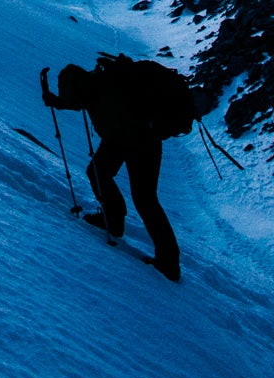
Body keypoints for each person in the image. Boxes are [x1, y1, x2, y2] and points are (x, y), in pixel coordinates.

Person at [42, 60, 181, 281]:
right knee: (98, 173)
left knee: (144, 199)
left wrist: (61, 101)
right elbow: (80, 101)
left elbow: (90, 104)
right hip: (127, 138)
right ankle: (114, 221)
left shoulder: (102, 92)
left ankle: (169, 262)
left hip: (140, 141)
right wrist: (58, 102)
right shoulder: (92, 86)